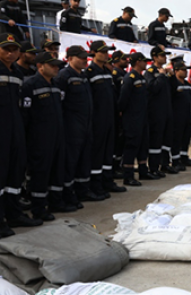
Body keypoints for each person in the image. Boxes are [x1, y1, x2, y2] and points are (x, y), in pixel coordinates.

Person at [20, 52, 73, 220]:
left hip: (57, 135)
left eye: (57, 65)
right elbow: (25, 116)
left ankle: (55, 202)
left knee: (57, 169)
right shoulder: (30, 85)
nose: (56, 68)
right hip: (39, 138)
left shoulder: (56, 84)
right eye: (52, 65)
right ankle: (38, 208)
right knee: (40, 173)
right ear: (40, 66)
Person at [0, 33, 40, 235]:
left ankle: (14, 214)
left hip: (16, 128)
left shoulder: (17, 72)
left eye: (14, 49)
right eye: (6, 49)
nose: (10, 53)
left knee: (15, 172)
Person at [56, 45, 105, 205]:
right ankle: (67, 194)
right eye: (81, 57)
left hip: (85, 125)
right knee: (70, 162)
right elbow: (60, 103)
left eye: (86, 57)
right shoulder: (64, 76)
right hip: (71, 127)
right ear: (70, 58)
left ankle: (82, 191)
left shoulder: (83, 76)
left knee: (84, 160)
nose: (85, 60)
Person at [85, 40, 126, 197]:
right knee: (98, 152)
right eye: (102, 52)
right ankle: (96, 185)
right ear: (94, 53)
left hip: (110, 117)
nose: (106, 54)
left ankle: (107, 181)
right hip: (98, 118)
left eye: (106, 51)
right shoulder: (90, 72)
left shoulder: (106, 71)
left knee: (109, 151)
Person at [118, 52, 153, 186]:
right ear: (137, 62)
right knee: (131, 145)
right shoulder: (130, 77)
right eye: (144, 61)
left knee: (143, 144)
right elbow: (123, 99)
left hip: (142, 116)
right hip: (132, 118)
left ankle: (143, 171)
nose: (146, 63)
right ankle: (128, 176)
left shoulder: (141, 77)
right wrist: (123, 113)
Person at [145, 46, 177, 177]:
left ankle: (164, 164)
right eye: (162, 55)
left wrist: (171, 76)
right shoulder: (150, 72)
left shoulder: (165, 73)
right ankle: (153, 167)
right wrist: (162, 76)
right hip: (156, 112)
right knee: (156, 140)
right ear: (155, 57)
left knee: (167, 139)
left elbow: (173, 90)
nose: (164, 58)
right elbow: (153, 88)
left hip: (167, 110)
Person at [169, 56, 191, 171]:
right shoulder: (172, 83)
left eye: (186, 70)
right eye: (183, 70)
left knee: (186, 137)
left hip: (186, 115)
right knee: (176, 139)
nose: (186, 72)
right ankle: (175, 160)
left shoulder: (187, 84)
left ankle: (184, 157)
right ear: (176, 71)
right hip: (176, 116)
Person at [110, 51, 129, 176]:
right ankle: (115, 167)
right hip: (117, 112)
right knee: (118, 140)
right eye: (123, 59)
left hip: (124, 112)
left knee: (122, 140)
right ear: (116, 61)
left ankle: (120, 164)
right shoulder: (115, 74)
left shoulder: (125, 74)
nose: (126, 61)